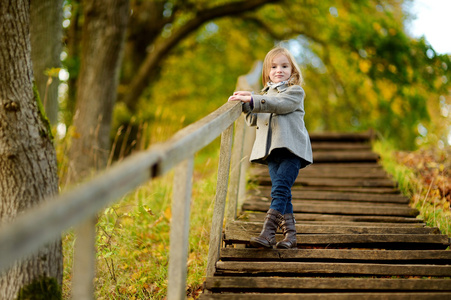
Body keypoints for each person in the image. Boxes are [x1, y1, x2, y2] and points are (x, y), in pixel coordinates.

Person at [228, 46, 313, 249]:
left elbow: (280, 104)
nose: (279, 70)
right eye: (273, 67)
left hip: (292, 151)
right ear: (267, 72)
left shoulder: (295, 92)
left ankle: (267, 234)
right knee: (283, 193)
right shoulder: (264, 95)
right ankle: (291, 237)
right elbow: (254, 120)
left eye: (284, 66)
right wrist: (247, 104)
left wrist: (253, 98)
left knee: (280, 190)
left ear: (292, 70)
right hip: (272, 151)